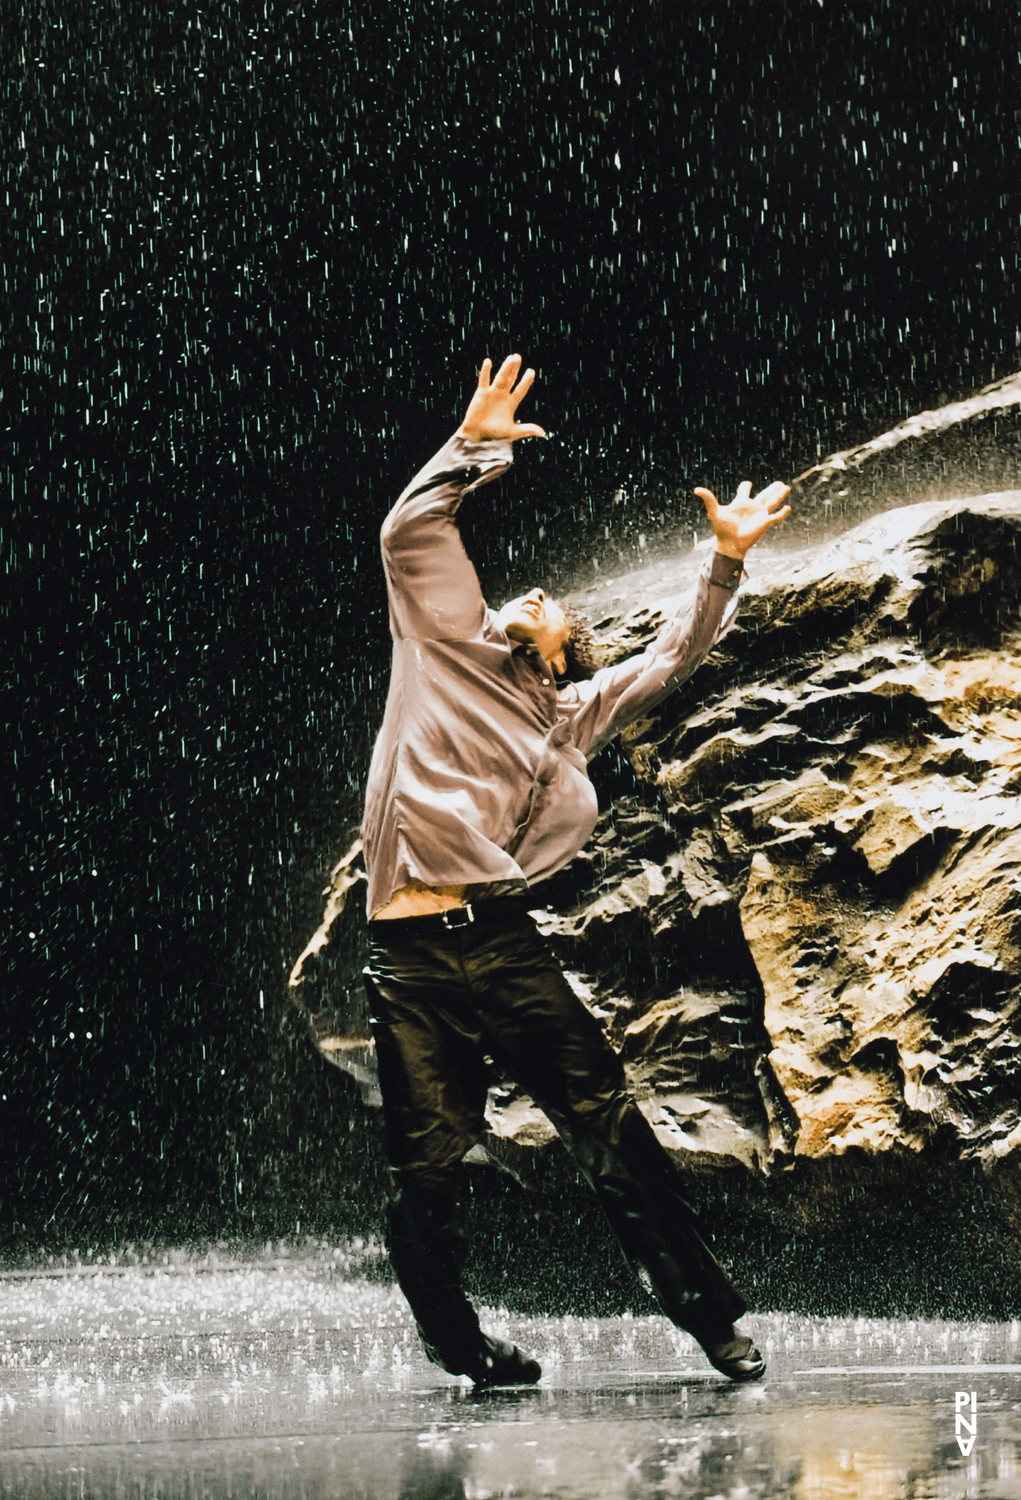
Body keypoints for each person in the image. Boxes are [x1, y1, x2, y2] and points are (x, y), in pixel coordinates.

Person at [361, 353, 791, 1387]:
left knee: (611, 1131)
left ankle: (711, 1320)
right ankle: (465, 1348)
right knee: (423, 1175)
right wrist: (474, 448)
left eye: (549, 605)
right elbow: (407, 535)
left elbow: (674, 654)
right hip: (409, 958)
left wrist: (722, 561)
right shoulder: (443, 645)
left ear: (561, 655)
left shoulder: (569, 714)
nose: (534, 593)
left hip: (501, 947)